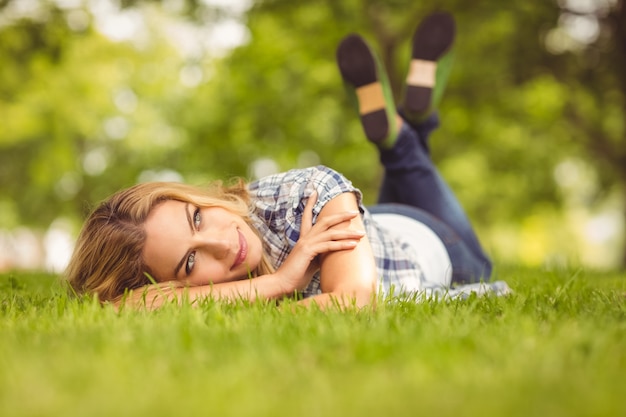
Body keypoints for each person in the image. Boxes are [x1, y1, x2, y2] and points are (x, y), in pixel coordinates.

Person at [66, 12, 509, 309]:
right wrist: (278, 282)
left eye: (197, 218)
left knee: (475, 259)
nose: (222, 245)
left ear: (196, 195)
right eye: (189, 263)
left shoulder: (303, 193)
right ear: (169, 286)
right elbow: (123, 307)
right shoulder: (218, 284)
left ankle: (405, 134)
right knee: (406, 158)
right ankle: (414, 118)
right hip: (378, 228)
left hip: (432, 241)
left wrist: (268, 291)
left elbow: (354, 301)